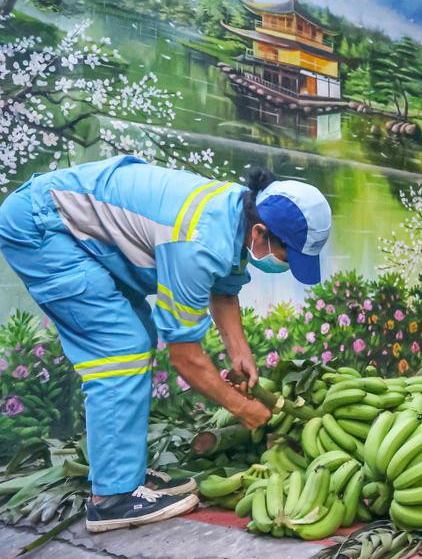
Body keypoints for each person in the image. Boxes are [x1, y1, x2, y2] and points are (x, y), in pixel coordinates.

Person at [0, 156, 332, 532]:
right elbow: (185, 357)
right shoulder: (199, 242)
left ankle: (125, 474)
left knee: (135, 334)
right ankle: (111, 499)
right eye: (287, 255)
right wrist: (244, 409)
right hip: (43, 227)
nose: (285, 264)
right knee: (120, 349)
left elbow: (224, 293)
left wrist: (241, 354)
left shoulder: (237, 214)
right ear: (259, 233)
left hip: (74, 227)